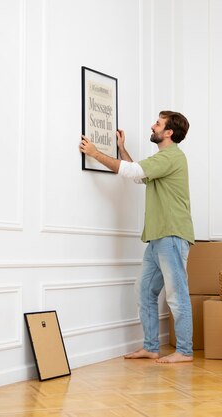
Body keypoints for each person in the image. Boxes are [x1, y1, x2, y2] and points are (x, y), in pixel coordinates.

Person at [79, 111, 195, 364]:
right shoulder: (163, 159)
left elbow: (134, 172)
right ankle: (151, 347)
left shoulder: (172, 156)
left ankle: (185, 351)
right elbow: (139, 175)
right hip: (157, 236)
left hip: (172, 234)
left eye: (158, 123)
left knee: (177, 294)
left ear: (168, 133)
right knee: (144, 290)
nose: (152, 126)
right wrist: (122, 149)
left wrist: (95, 153)